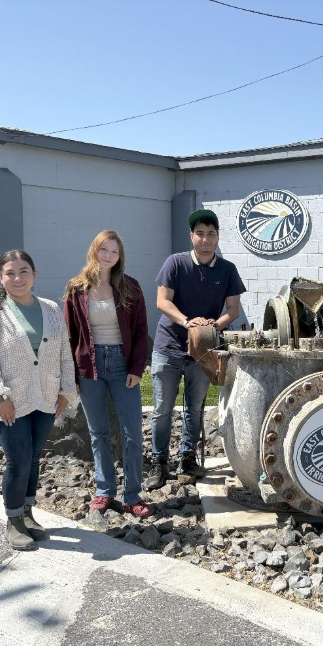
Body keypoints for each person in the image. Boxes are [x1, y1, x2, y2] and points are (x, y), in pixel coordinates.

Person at [0, 250, 75, 551]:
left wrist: (66, 391)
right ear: (0, 278)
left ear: (35, 274)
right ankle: (13, 519)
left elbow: (64, 353)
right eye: (10, 273)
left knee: (32, 458)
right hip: (10, 402)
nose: (17, 278)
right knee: (17, 461)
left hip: (45, 397)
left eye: (24, 271)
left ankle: (28, 513)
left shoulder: (51, 309)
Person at [150, 209, 245, 486]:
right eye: (200, 234)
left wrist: (214, 326)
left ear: (218, 237)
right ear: (192, 236)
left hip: (203, 350)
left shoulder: (227, 270)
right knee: (162, 409)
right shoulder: (175, 263)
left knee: (194, 408)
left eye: (211, 234)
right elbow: (162, 301)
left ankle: (187, 459)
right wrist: (188, 322)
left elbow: (233, 309)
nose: (206, 239)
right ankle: (159, 462)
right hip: (168, 347)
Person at [64, 230, 152, 522]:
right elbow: (69, 334)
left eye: (114, 252)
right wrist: (71, 376)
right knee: (98, 431)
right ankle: (104, 490)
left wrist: (137, 369)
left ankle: (132, 496)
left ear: (120, 256)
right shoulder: (77, 288)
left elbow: (140, 332)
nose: (108, 256)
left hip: (121, 364)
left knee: (132, 432)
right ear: (94, 250)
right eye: (104, 250)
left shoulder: (130, 287)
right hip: (89, 365)